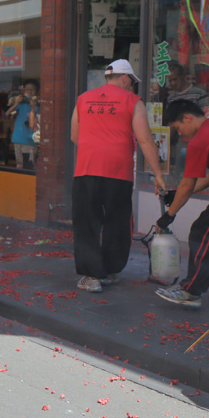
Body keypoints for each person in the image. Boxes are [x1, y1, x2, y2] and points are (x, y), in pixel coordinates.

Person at [71, 59, 166, 293]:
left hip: (86, 170)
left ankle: (92, 276)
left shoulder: (83, 99)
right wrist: (158, 175)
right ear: (125, 78)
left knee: (87, 223)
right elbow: (144, 140)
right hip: (119, 173)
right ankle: (111, 270)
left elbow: (75, 136)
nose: (132, 86)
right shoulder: (133, 102)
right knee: (117, 221)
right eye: (132, 82)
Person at [154, 100, 209, 307]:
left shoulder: (200, 140)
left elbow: (187, 184)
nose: (179, 134)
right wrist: (176, 193)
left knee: (202, 234)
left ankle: (191, 292)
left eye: (178, 128)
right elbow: (205, 178)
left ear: (188, 118)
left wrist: (168, 215)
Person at [8, 80, 39, 170]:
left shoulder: (38, 106)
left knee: (29, 165)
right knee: (19, 165)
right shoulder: (20, 104)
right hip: (18, 138)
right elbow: (7, 113)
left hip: (30, 140)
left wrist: (33, 107)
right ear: (23, 91)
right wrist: (17, 102)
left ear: (37, 92)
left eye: (32, 89)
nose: (29, 92)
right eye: (27, 89)